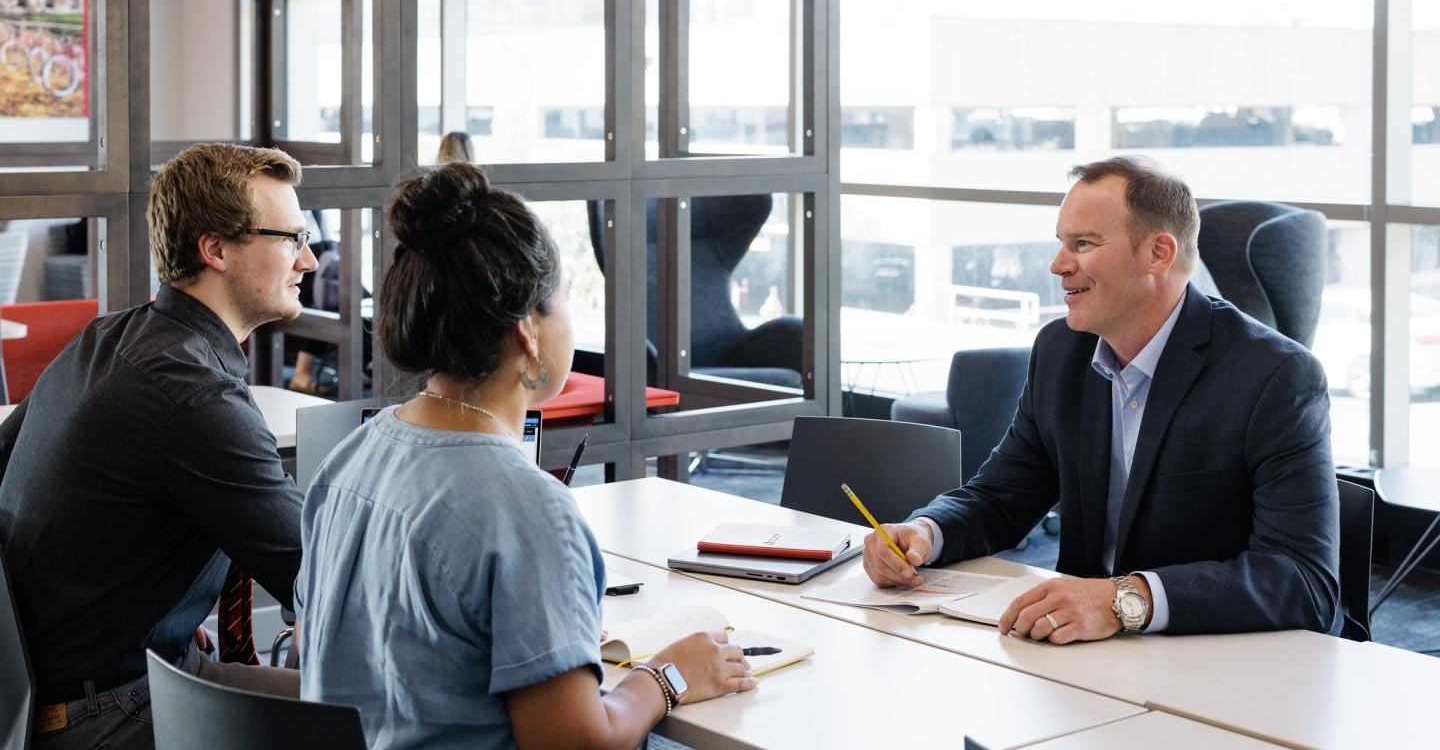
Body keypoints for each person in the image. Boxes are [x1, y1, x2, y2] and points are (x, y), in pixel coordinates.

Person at [296, 163, 756, 749]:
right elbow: (575, 745)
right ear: (528, 331)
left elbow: (316, 652)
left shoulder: (350, 458)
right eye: (563, 299)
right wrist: (667, 676)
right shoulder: (529, 507)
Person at [862, 155, 1340, 643]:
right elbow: (1002, 496)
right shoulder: (1060, 351)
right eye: (1061, 244)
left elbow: (1303, 580)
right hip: (1084, 655)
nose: (1057, 265)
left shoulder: (1274, 375)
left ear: (1158, 254)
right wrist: (924, 532)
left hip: (1220, 660)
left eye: (1083, 244)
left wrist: (1125, 600)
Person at [0, 143, 316, 748]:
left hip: (71, 683)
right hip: (103, 711)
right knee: (381, 713)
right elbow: (317, 574)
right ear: (216, 249)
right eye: (289, 237)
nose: (307, 259)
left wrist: (150, 615)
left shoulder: (111, 336)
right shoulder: (193, 393)